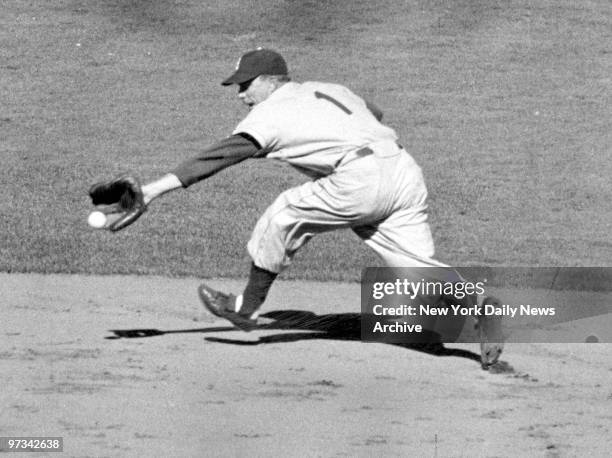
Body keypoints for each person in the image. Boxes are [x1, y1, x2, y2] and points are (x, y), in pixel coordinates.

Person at [139, 48, 503, 367]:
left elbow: (220, 156)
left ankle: (246, 309)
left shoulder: (270, 113)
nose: (240, 94)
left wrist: (151, 191)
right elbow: (373, 113)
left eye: (245, 85)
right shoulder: (329, 89)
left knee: (283, 214)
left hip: (362, 179)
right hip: (403, 170)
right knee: (414, 268)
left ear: (269, 81)